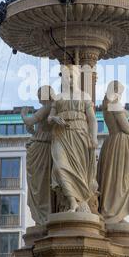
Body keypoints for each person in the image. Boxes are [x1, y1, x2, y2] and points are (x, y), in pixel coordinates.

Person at [48, 65, 98, 213]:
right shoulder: (58, 97)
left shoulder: (84, 96)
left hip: (79, 135)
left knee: (79, 172)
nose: (68, 79)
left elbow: (93, 120)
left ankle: (79, 201)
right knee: (59, 167)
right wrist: (55, 118)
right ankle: (72, 201)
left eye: (71, 76)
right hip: (60, 136)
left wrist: (94, 138)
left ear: (77, 77)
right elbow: (49, 118)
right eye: (65, 76)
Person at [98, 81, 129, 224]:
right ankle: (113, 213)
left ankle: (111, 211)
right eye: (120, 92)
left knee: (111, 178)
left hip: (111, 142)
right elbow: (125, 126)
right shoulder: (115, 105)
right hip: (121, 144)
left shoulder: (106, 105)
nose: (120, 95)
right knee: (119, 180)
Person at [21, 86, 55, 226]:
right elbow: (40, 131)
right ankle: (44, 215)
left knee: (41, 183)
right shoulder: (50, 107)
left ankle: (44, 216)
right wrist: (33, 132)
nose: (39, 97)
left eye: (40, 94)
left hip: (42, 149)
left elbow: (30, 121)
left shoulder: (48, 107)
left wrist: (23, 114)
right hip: (41, 146)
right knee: (41, 183)